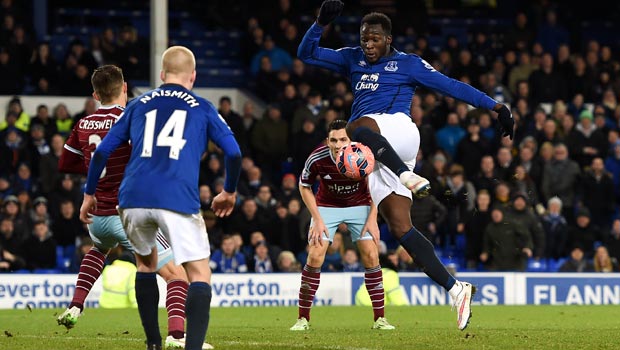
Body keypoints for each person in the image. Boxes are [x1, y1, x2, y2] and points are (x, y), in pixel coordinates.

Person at [297, 0, 515, 330]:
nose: (367, 46)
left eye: (374, 39)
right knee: (400, 227)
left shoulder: (408, 64)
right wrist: (319, 24)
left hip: (399, 131)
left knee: (354, 127)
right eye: (363, 39)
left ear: (388, 39)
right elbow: (307, 54)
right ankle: (456, 290)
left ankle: (407, 175)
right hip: (377, 152)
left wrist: (495, 106)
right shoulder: (351, 59)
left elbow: (451, 86)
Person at [79, 47, 241, 350]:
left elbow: (101, 151)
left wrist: (89, 194)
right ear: (192, 76)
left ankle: (153, 343)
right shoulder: (203, 107)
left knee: (146, 265)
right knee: (199, 272)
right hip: (177, 196)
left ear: (162, 75)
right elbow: (233, 152)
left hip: (131, 197)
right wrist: (229, 191)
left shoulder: (138, 104)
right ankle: (191, 346)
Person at [56, 65, 212, 350]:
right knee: (176, 274)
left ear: (95, 94)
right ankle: (177, 336)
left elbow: (65, 164)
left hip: (97, 217)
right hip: (127, 212)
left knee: (98, 250)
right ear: (125, 88)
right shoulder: (131, 118)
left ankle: (75, 306)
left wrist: (95, 171)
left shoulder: (83, 123)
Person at [290, 120, 395, 331]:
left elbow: (378, 185)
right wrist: (317, 219)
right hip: (327, 206)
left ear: (351, 139)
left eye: (343, 139)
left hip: (361, 205)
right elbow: (304, 187)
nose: (338, 145)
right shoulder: (317, 158)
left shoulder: (365, 154)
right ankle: (302, 319)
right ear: (327, 141)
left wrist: (373, 217)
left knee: (371, 255)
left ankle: (380, 319)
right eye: (334, 140)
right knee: (315, 255)